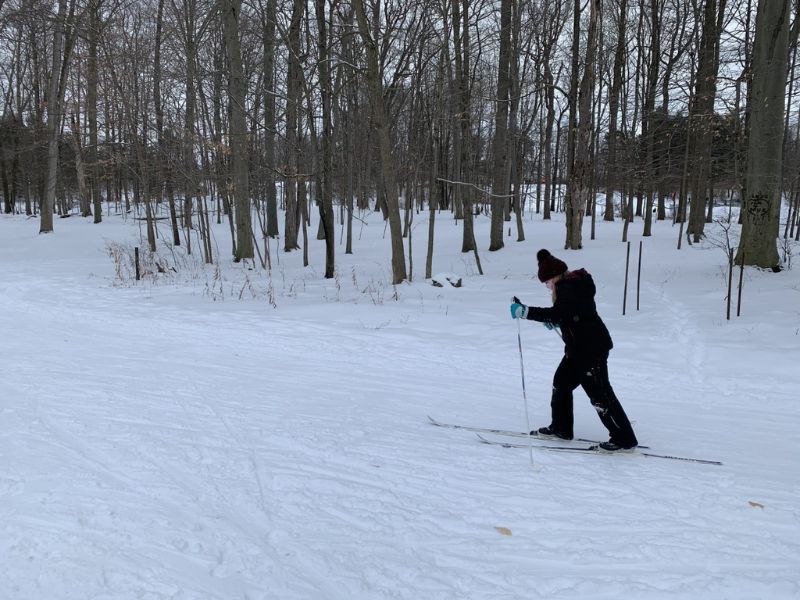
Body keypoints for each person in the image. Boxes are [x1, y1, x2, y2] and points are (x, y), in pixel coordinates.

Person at [510, 249, 638, 452]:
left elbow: (560, 312)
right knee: (561, 383)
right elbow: (572, 314)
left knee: (601, 395)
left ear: (556, 276)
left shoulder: (568, 288)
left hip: (590, 349)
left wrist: (526, 312)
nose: (547, 286)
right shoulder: (571, 286)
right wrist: (559, 322)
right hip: (578, 349)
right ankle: (561, 428)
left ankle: (624, 438)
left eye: (547, 281)